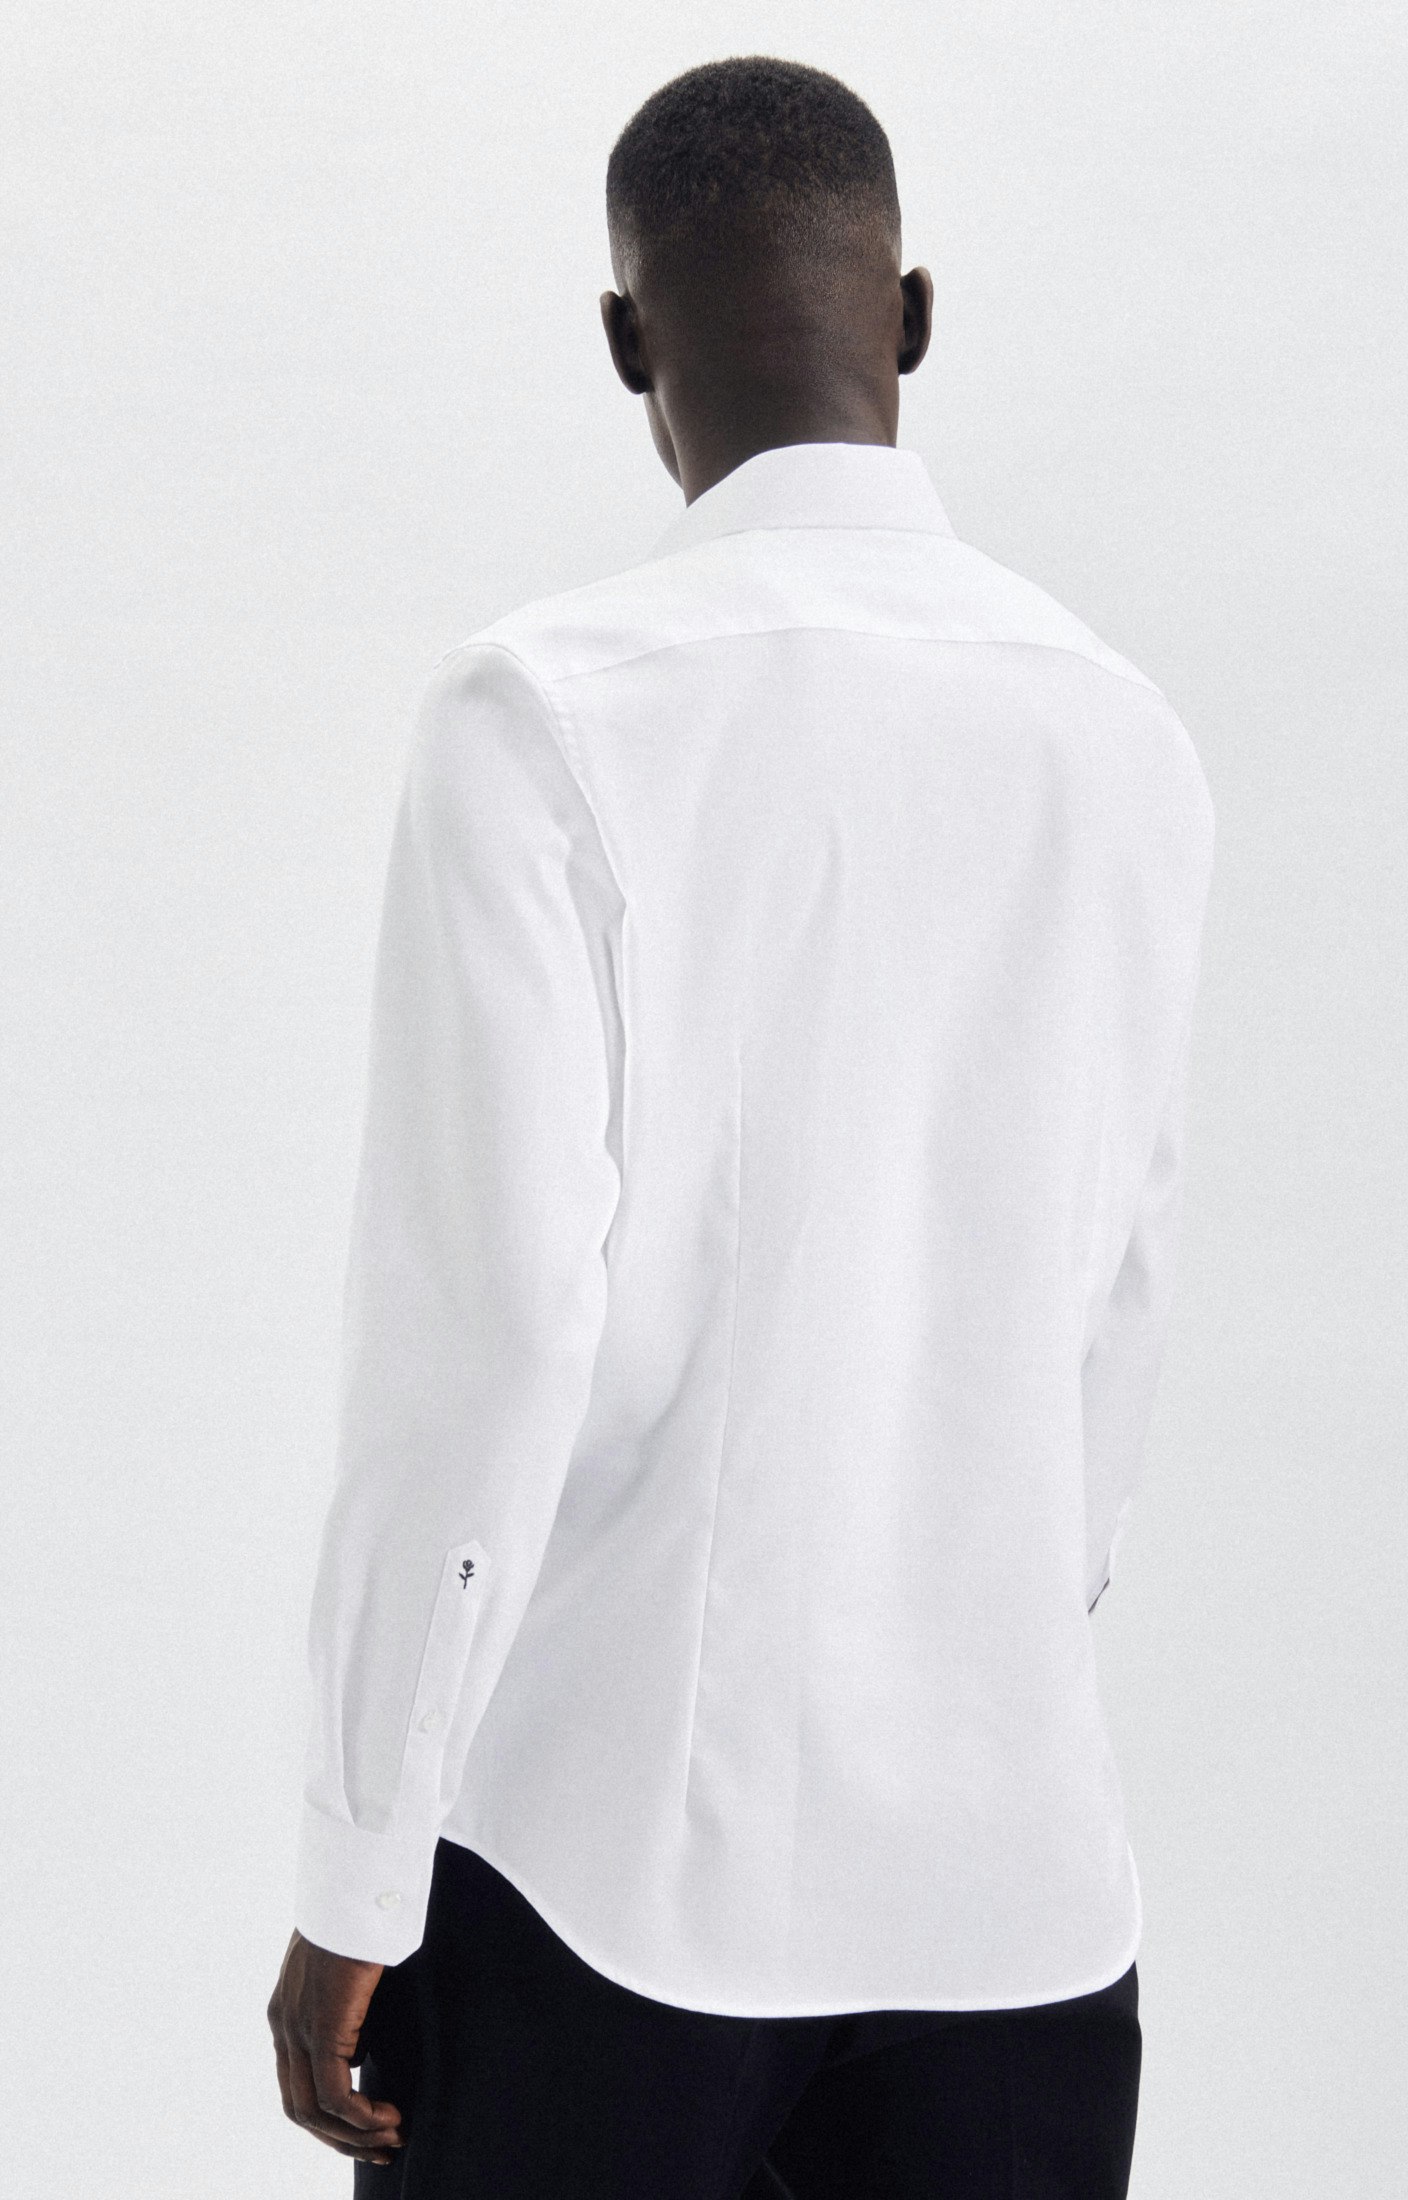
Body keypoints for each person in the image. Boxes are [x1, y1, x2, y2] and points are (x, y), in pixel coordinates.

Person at [267, 53, 1214, 2200]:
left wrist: (360, 1858)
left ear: (628, 343)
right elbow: (1117, 1299)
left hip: (611, 1885)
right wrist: (980, 1643)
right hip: (1020, 1903)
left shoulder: (546, 711)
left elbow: (496, 1329)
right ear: (915, 317)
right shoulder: (1123, 733)